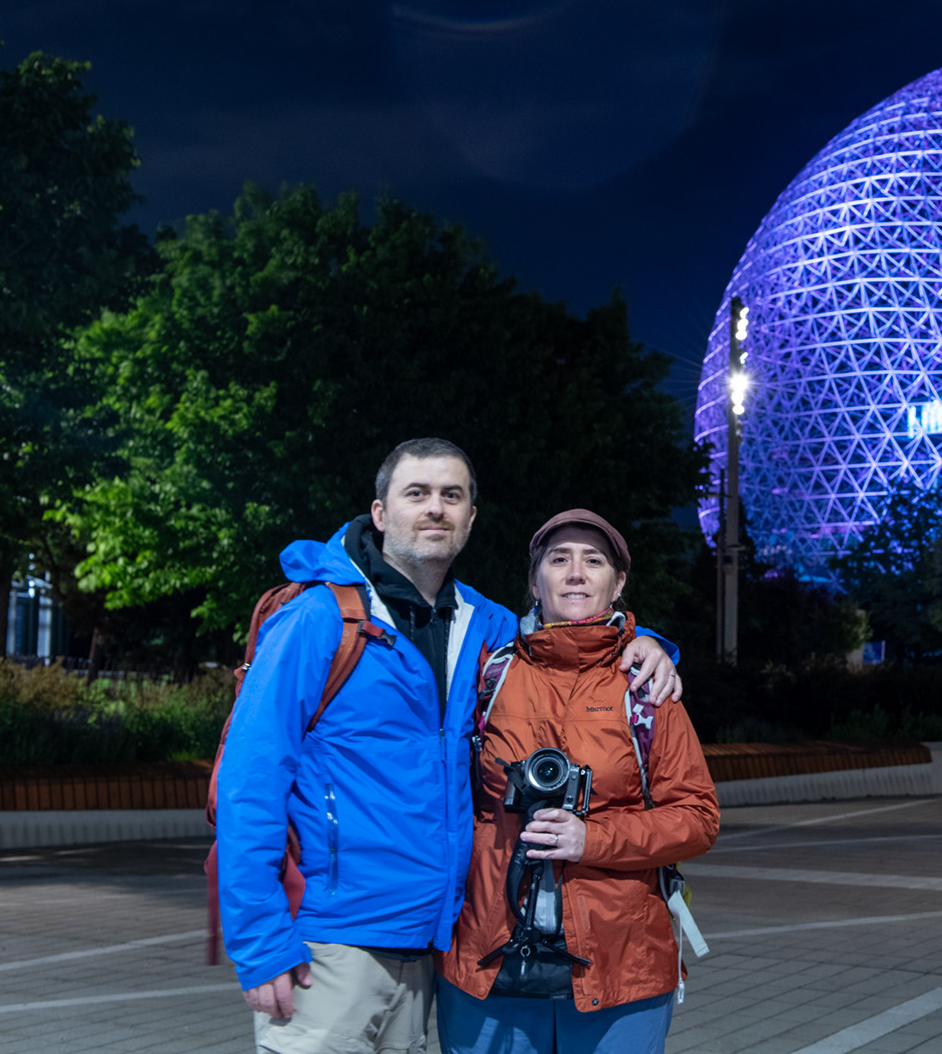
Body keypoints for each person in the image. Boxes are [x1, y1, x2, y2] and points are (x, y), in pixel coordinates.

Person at [216, 440, 681, 1054]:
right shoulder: (320, 621)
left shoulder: (483, 624)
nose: (435, 508)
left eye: (451, 496)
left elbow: (570, 636)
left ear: (469, 519)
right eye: (417, 493)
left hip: (428, 944)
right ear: (380, 513)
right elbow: (249, 782)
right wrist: (259, 942)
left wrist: (646, 641)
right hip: (327, 943)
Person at [438, 508, 719, 1054]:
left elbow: (698, 818)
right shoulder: (486, 675)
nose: (575, 573)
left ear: (617, 585)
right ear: (533, 582)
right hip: (487, 954)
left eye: (594, 561)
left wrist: (591, 841)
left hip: (621, 963)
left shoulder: (645, 690)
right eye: (558, 559)